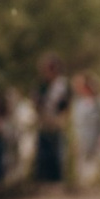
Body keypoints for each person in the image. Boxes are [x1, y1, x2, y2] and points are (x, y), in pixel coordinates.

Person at [33, 54, 73, 189]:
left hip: (57, 123)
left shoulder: (62, 85)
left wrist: (62, 119)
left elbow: (66, 105)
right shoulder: (42, 86)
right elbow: (37, 103)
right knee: (43, 157)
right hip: (43, 123)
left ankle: (56, 183)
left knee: (57, 155)